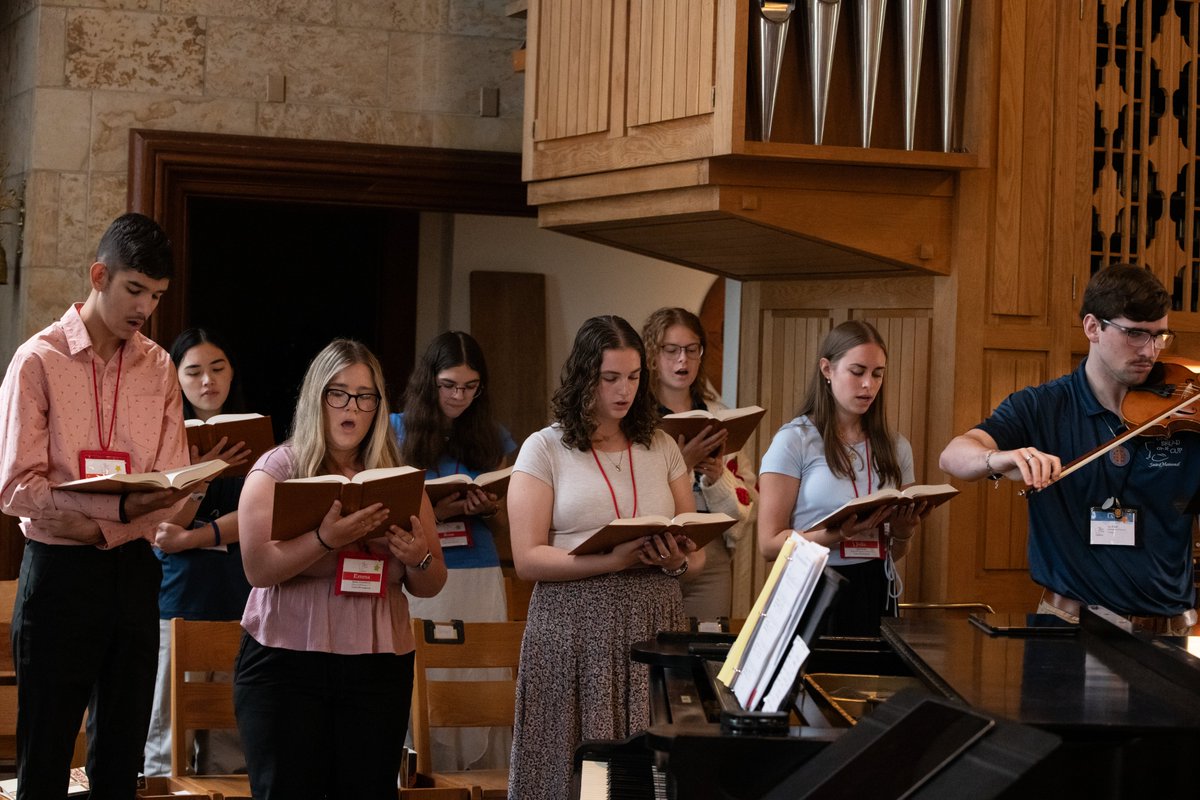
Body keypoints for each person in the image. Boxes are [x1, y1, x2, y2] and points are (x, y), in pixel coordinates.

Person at [0, 213, 192, 799]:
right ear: (99, 274)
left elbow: (166, 486)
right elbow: (16, 488)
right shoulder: (38, 359)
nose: (144, 309)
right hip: (59, 576)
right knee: (46, 758)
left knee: (120, 758)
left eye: (156, 296)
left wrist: (102, 523)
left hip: (134, 573)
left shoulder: (158, 366)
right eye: (135, 290)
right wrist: (124, 514)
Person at [233, 338, 447, 799]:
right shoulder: (277, 469)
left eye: (365, 396)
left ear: (378, 405)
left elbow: (431, 582)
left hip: (377, 664)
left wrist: (416, 558)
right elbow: (257, 568)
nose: (352, 406)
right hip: (287, 662)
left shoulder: (397, 476)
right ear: (317, 397)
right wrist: (325, 540)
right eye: (339, 393)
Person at [939, 265, 1200, 634]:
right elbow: (953, 455)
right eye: (1136, 334)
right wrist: (1000, 458)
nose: (1151, 351)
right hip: (1069, 626)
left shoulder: (1185, 415)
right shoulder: (1042, 406)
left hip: (1171, 630)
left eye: (1160, 336)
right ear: (1093, 327)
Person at [507, 315, 704, 799]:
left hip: (653, 617)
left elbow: (693, 553)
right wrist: (612, 561)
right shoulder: (545, 447)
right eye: (610, 378)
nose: (624, 391)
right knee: (566, 768)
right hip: (571, 623)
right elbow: (528, 559)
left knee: (648, 772)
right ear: (583, 377)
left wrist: (672, 560)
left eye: (634, 377)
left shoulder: (660, 444)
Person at [390, 330, 516, 770]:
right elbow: (383, 512)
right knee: (423, 678)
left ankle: (482, 778)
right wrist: (436, 512)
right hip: (420, 573)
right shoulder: (396, 429)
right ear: (429, 381)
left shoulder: (493, 437)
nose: (459, 396)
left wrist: (491, 507)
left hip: (479, 571)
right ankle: (420, 777)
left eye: (470, 386)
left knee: (479, 674)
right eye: (449, 385)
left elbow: (508, 530)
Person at [757, 320, 925, 636]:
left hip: (876, 587)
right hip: (813, 585)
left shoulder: (896, 445)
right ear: (827, 369)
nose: (868, 385)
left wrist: (903, 533)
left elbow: (894, 552)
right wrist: (836, 534)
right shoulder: (795, 440)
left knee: (875, 683)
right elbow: (769, 545)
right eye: (857, 371)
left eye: (877, 374)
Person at [143, 328, 254, 776]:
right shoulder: (162, 438)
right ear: (176, 379)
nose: (207, 380)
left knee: (229, 737)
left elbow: (256, 517)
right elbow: (163, 526)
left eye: (217, 368)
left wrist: (193, 538)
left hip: (238, 597)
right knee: (168, 733)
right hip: (178, 599)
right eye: (193, 371)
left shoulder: (255, 437)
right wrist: (202, 479)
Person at [642, 307, 757, 621]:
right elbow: (629, 491)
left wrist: (717, 478)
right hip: (655, 550)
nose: (683, 360)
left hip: (711, 551)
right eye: (672, 350)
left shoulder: (718, 416)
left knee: (707, 653)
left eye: (692, 350)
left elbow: (747, 501)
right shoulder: (638, 421)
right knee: (656, 655)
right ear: (652, 355)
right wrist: (684, 465)